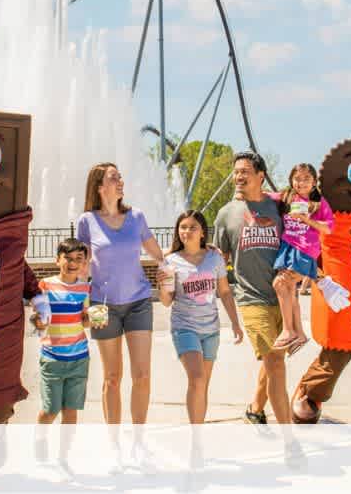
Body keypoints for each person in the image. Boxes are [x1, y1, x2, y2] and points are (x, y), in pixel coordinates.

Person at [76, 162, 167, 467]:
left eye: (120, 176)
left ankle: (139, 443)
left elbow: (158, 253)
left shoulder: (136, 217)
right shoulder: (86, 221)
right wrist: (78, 301)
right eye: (114, 178)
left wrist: (197, 253)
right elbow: (81, 266)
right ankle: (114, 444)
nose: (120, 180)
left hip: (139, 301)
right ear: (100, 187)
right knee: (112, 377)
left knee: (141, 375)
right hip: (102, 306)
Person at [213, 152, 288, 425]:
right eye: (236, 172)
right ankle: (288, 435)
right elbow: (219, 260)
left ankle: (255, 409)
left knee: (275, 360)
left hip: (283, 298)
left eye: (245, 171)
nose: (238, 177)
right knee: (276, 363)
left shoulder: (279, 207)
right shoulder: (226, 214)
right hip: (251, 298)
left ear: (260, 176)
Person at [159, 210, 244, 424]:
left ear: (202, 233)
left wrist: (235, 322)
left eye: (192, 227)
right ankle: (195, 432)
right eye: (183, 227)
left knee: (203, 383)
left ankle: (199, 436)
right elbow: (167, 301)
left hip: (210, 330)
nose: (187, 231)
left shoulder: (214, 258)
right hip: (184, 327)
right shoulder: (170, 261)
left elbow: (224, 292)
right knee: (196, 379)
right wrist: (162, 285)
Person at [29, 238, 94, 469]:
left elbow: (84, 321)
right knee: (50, 409)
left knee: (70, 411)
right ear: (58, 260)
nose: (73, 263)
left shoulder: (84, 288)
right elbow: (37, 318)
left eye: (79, 259)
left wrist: (94, 319)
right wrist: (37, 321)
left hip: (79, 357)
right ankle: (40, 437)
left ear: (85, 263)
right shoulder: (45, 285)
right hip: (52, 358)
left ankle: (63, 456)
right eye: (68, 258)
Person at [270, 163, 334, 356]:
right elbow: (264, 195)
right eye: (297, 178)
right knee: (289, 289)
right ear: (291, 180)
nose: (301, 182)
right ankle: (300, 334)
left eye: (307, 178)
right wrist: (244, 194)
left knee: (280, 284)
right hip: (287, 248)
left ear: (314, 182)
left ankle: (289, 330)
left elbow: (329, 227)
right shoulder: (287, 197)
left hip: (306, 250)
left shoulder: (319, 202)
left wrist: (306, 219)